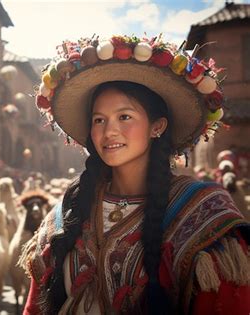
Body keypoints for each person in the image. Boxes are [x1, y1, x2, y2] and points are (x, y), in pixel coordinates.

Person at [20, 34, 249, 314]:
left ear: (158, 126)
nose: (109, 131)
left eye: (124, 117)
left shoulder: (202, 214)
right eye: (99, 120)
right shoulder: (68, 212)